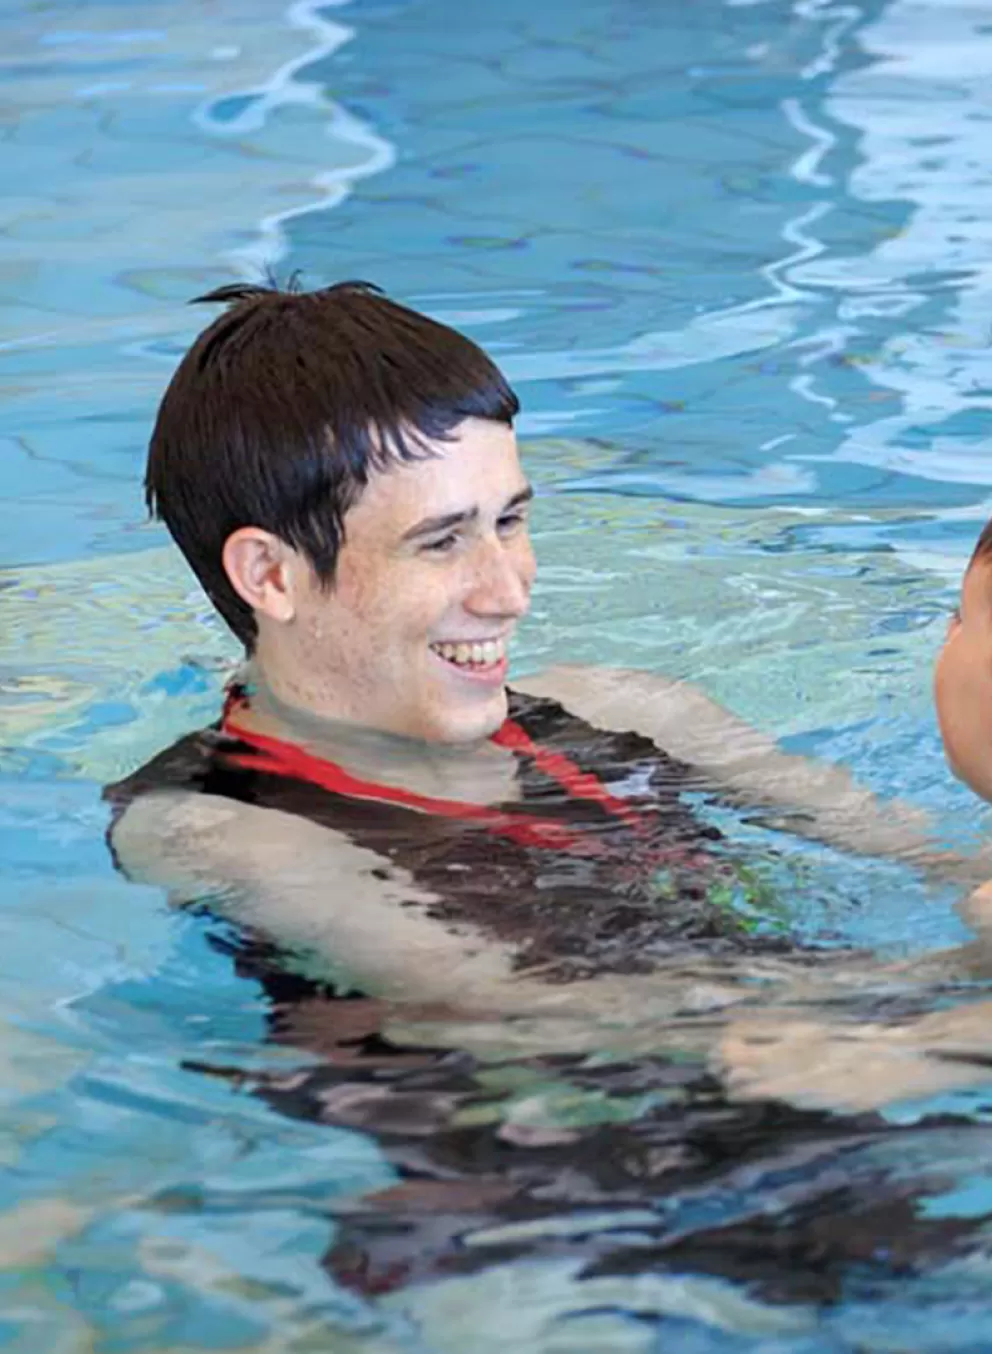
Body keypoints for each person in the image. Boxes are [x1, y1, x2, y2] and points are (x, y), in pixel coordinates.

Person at [107, 279, 988, 1039]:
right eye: (442, 541)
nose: (509, 591)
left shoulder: (628, 715)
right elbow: (533, 1016)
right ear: (271, 574)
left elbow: (923, 851)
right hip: (551, 1210)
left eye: (511, 521)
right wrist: (961, 989)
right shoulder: (220, 828)